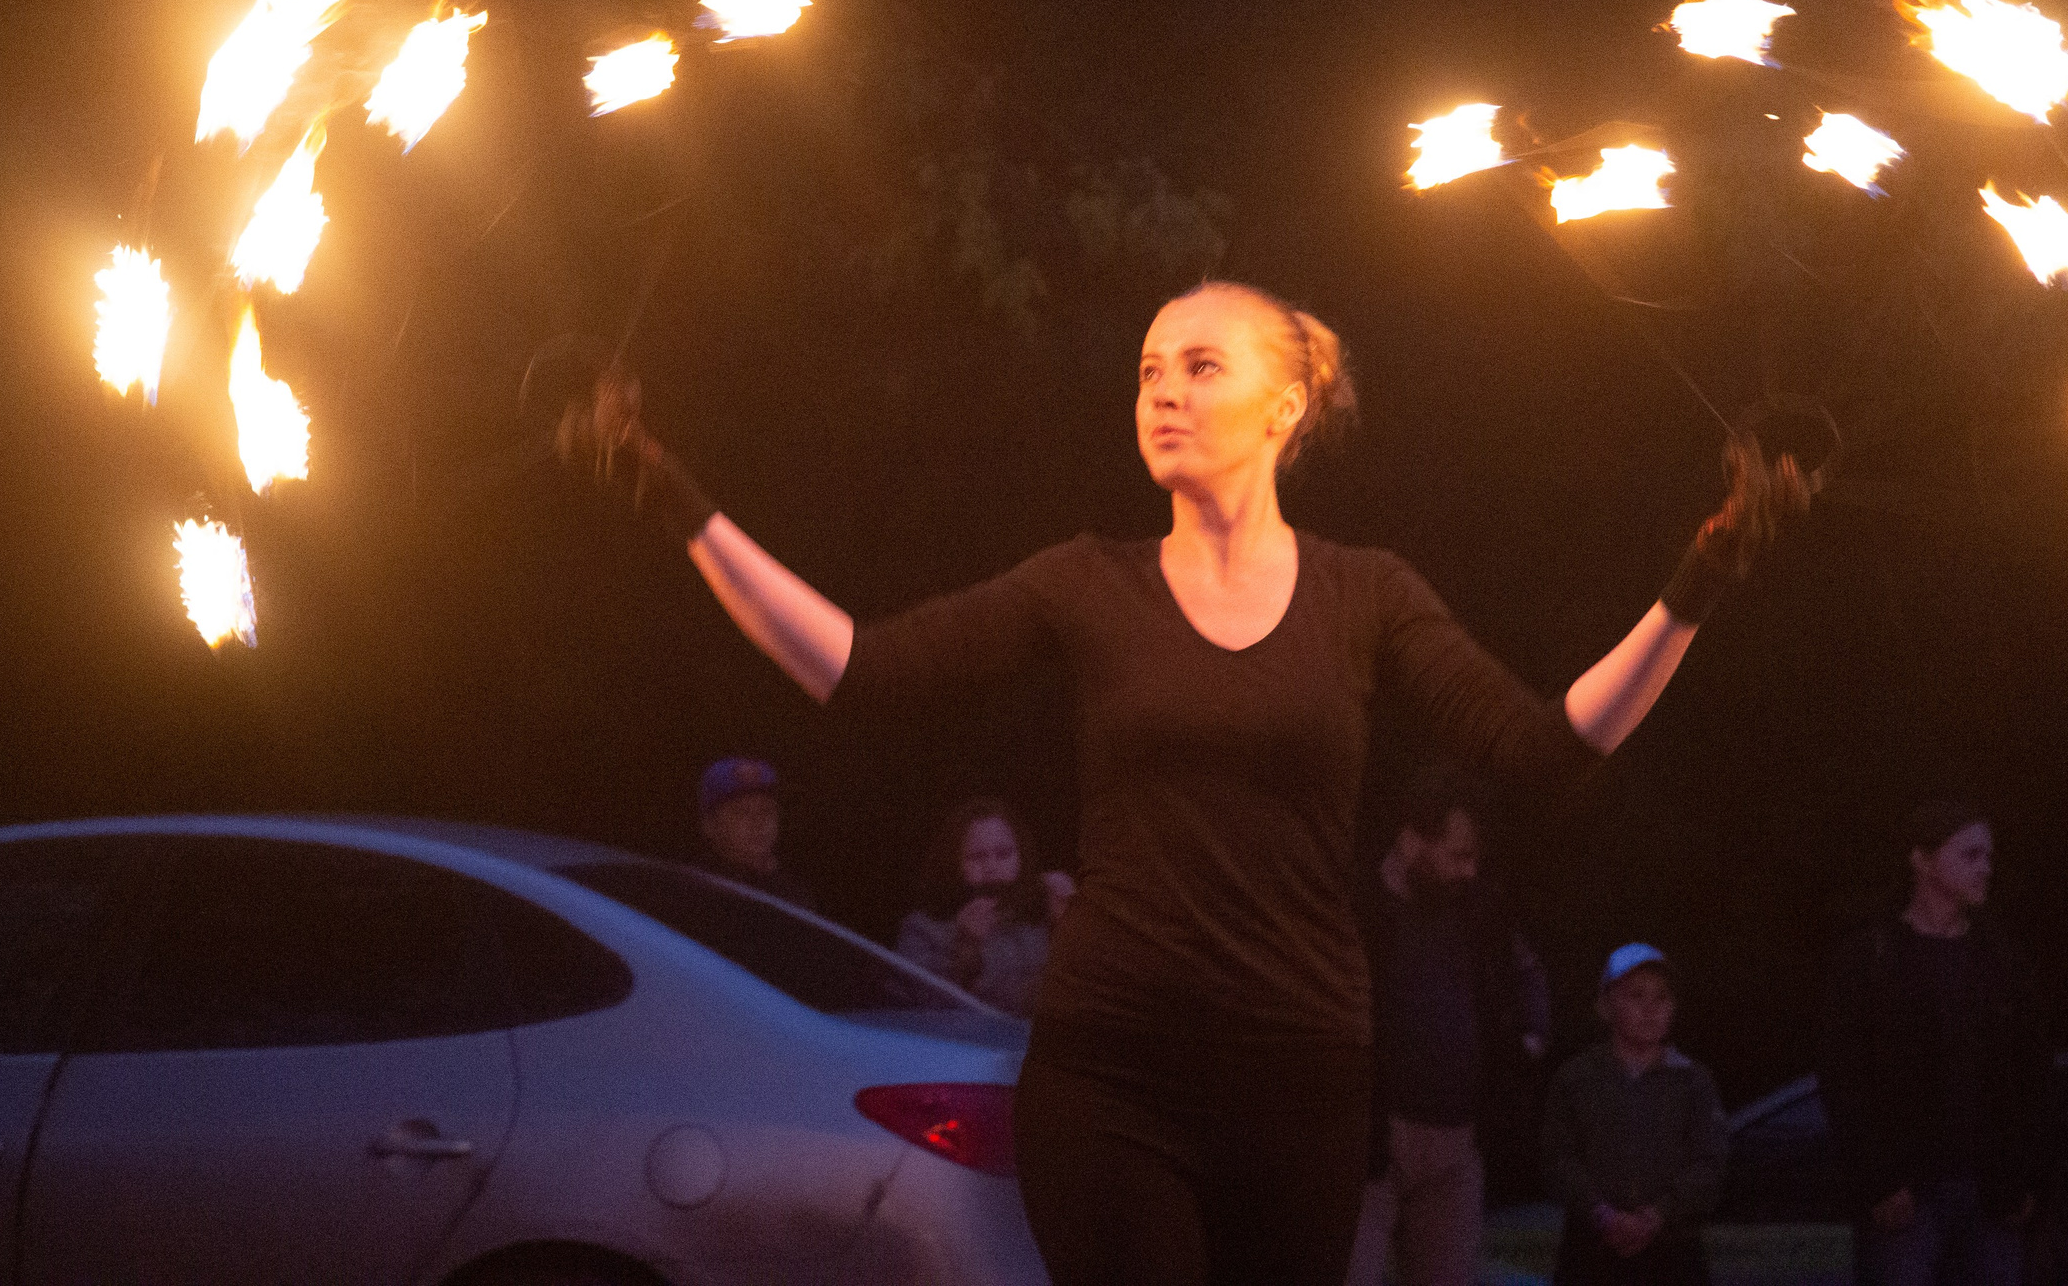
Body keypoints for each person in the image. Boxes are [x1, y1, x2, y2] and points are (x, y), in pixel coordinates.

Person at [566, 279, 1812, 1286]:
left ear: (1286, 405)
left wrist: (1702, 576)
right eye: (1149, 371)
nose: (1161, 391)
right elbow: (861, 668)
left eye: (1200, 366)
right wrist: (670, 494)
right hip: (1113, 1075)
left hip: (1302, 1073)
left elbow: (1545, 749)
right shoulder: (1085, 580)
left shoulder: (1365, 592)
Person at [1818, 802, 2051, 1286]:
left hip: (1991, 1191)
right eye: (1970, 854)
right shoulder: (1871, 958)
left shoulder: (2001, 959)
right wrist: (1879, 1179)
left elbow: (2032, 1073)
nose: (1986, 867)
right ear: (1922, 860)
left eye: (1989, 855)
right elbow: (1843, 1075)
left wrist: (2022, 1176)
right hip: (1908, 1194)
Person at [1347, 771, 1552, 1286]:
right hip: (1372, 1142)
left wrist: (1530, 1038)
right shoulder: (1359, 910)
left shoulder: (1475, 914)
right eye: (1458, 854)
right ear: (1412, 839)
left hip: (1457, 1141)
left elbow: (1526, 970)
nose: (1470, 869)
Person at [1540, 945, 1728, 1286]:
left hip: (1673, 1254)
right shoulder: (1576, 1078)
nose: (1650, 1009)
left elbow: (1710, 1163)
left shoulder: (1694, 1081)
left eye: (1662, 997)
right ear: (1606, 1005)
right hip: (1591, 1255)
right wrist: (1602, 1214)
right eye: (1635, 995)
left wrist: (1658, 1216)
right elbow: (1557, 1160)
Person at [895, 796, 1077, 1016]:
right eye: (976, 857)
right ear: (953, 863)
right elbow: (918, 1014)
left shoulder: (1040, 918)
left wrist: (1071, 928)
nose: (991, 867)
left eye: (1004, 854)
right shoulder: (922, 929)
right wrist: (966, 948)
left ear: (1021, 856)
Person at [693, 755, 817, 911]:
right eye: (741, 812)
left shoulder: (794, 894)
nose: (758, 822)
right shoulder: (696, 890)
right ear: (710, 826)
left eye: (766, 810)